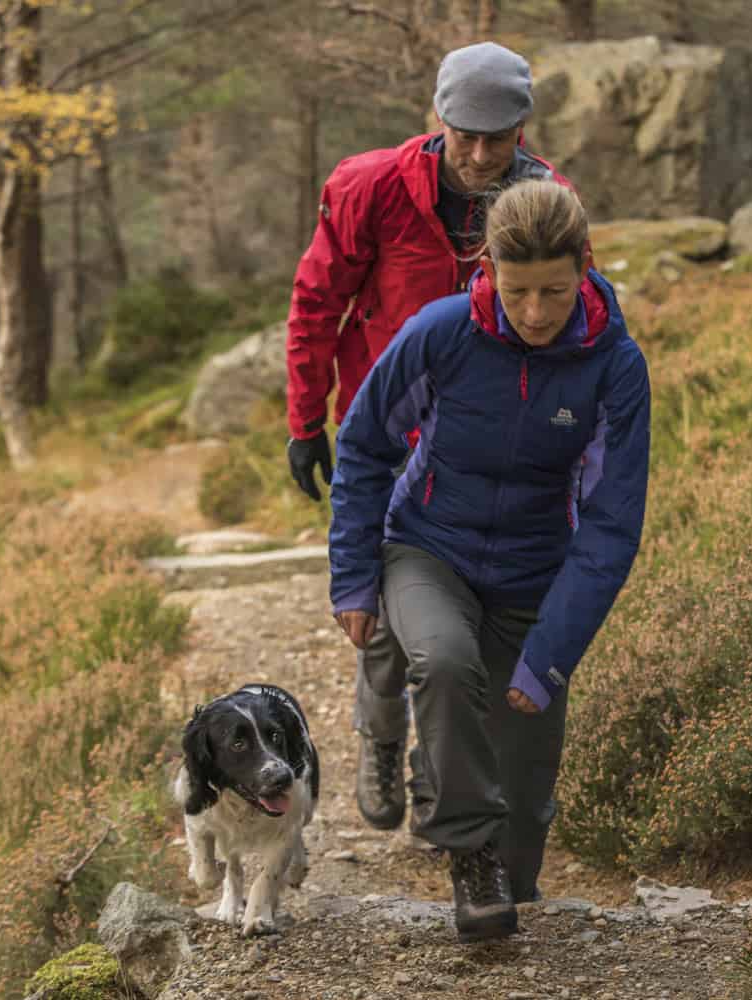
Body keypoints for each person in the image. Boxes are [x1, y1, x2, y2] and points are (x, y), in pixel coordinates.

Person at [327, 180, 650, 942]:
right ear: (488, 270)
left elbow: (610, 528)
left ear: (584, 267)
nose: (535, 313)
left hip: (535, 574)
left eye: (554, 292)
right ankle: (469, 855)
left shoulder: (615, 366)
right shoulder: (441, 334)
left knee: (525, 820)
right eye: (516, 292)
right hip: (428, 547)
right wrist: (354, 577)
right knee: (443, 662)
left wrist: (549, 655)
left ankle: (486, 836)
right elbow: (366, 445)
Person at [283, 41, 579, 835]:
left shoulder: (547, 201)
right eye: (464, 137)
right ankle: (381, 738)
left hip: (488, 442)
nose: (480, 157)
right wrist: (306, 420)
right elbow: (318, 301)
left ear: (523, 127)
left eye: (498, 139)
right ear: (438, 120)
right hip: (386, 429)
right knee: (384, 612)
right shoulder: (370, 187)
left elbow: (572, 317)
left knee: (463, 617)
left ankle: (434, 766)